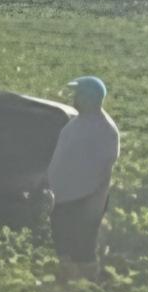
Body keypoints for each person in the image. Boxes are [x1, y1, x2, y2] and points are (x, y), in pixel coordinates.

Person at [47, 75, 120, 279]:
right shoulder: (77, 123)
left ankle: (88, 285)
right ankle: (68, 285)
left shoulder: (105, 130)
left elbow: (104, 171)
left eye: (78, 94)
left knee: (83, 248)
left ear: (89, 98)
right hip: (63, 197)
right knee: (63, 245)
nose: (74, 98)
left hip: (84, 200)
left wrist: (95, 204)